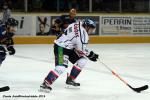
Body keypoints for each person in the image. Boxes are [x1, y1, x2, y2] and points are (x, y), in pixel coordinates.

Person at [40, 19, 99, 92]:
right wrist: (91, 55)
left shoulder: (78, 23)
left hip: (70, 48)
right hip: (60, 48)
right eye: (91, 29)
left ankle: (70, 79)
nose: (91, 31)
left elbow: (68, 30)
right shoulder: (83, 35)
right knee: (61, 67)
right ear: (86, 26)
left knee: (82, 61)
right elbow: (81, 50)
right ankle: (45, 84)